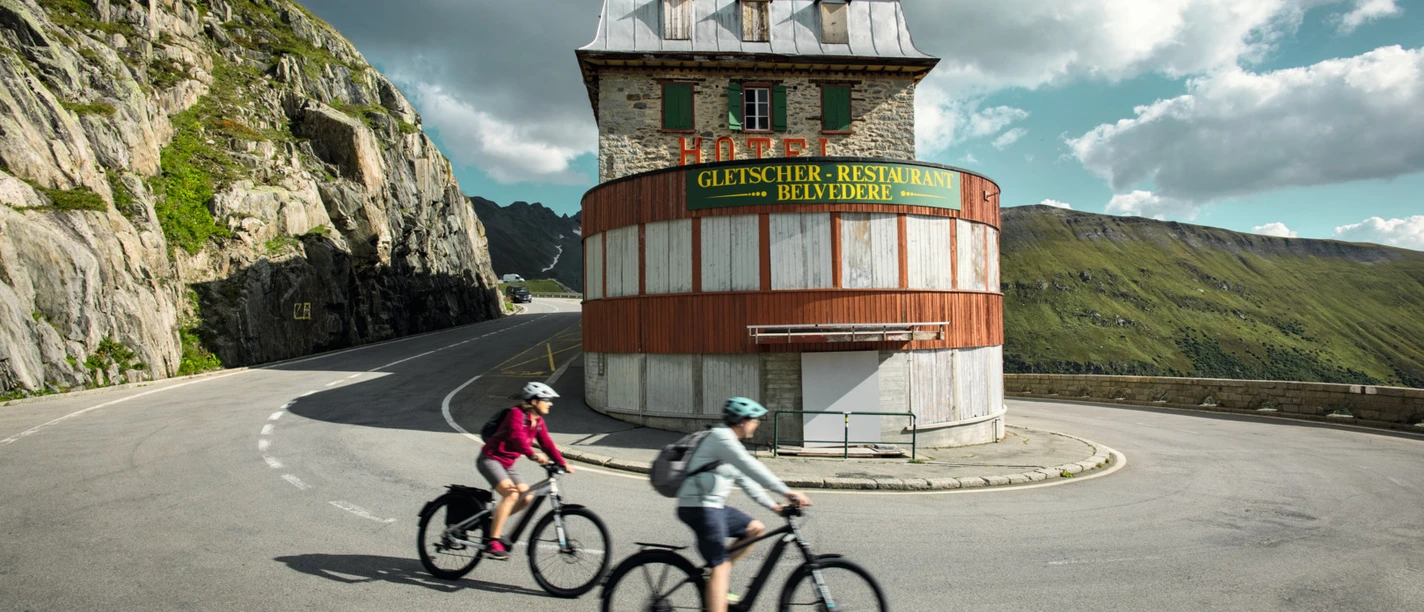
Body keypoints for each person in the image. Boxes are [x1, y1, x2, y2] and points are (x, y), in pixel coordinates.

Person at [677, 397, 812, 612]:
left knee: (755, 529)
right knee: (720, 565)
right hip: (698, 506)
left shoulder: (729, 444)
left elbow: (745, 479)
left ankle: (716, 578)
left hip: (713, 506)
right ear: (742, 421)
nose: (756, 424)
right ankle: (718, 577)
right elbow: (751, 466)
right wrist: (787, 491)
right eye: (754, 420)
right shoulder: (722, 438)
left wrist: (773, 505)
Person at [476, 381, 573, 560]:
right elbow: (517, 438)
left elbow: (546, 443)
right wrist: (533, 455)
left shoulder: (538, 421)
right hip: (490, 459)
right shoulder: (516, 414)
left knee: (526, 496)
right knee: (511, 494)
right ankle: (493, 543)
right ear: (534, 401)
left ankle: (494, 519)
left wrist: (562, 462)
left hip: (507, 464)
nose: (550, 404)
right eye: (546, 400)